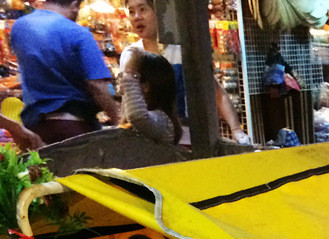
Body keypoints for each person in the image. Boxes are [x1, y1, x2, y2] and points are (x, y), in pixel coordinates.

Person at [121, 0, 249, 145]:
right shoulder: (130, 55)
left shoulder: (183, 49)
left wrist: (237, 130)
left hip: (190, 139)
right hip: (148, 142)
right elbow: (129, 104)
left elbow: (217, 93)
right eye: (131, 11)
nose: (137, 17)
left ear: (160, 11)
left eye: (143, 9)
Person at [9, 0, 122, 145]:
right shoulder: (79, 34)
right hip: (73, 128)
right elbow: (99, 86)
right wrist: (121, 122)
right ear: (75, 4)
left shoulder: (19, 27)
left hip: (33, 129)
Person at [119, 48, 181, 144]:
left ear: (146, 86)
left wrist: (129, 77)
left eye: (129, 78)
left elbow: (137, 116)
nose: (123, 81)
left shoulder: (163, 123)